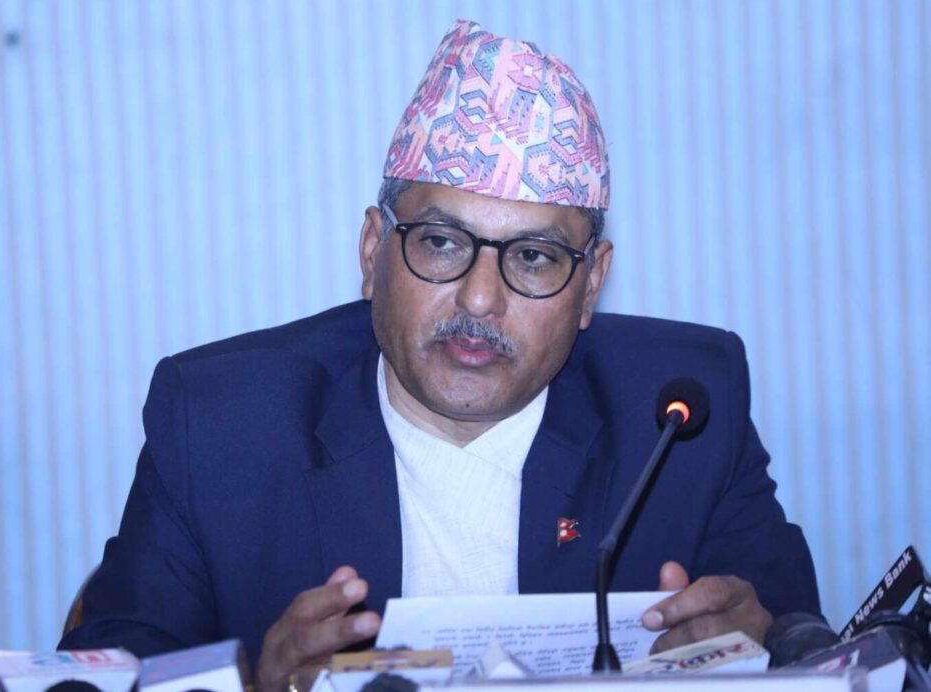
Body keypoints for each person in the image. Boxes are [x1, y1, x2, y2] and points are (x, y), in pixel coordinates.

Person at [60, 19, 820, 690]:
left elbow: (815, 644)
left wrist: (768, 651)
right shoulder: (221, 423)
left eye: (533, 257)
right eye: (442, 243)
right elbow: (114, 666)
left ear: (590, 286)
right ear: (372, 252)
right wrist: (259, 688)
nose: (480, 300)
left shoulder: (679, 414)